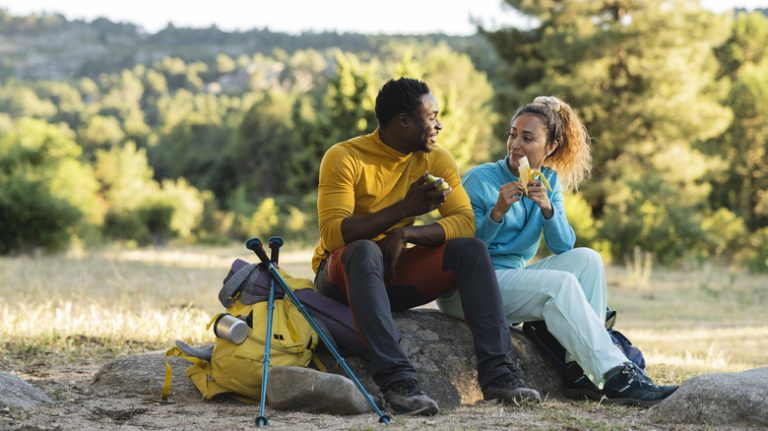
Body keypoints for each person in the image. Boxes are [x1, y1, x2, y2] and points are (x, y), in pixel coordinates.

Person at [312, 78, 541, 416]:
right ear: (404, 121)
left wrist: (405, 235)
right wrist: (405, 209)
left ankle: (499, 376)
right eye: (432, 116)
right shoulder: (345, 157)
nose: (439, 124)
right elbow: (333, 235)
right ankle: (399, 383)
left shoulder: (435, 159)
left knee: (471, 250)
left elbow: (464, 222)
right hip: (342, 277)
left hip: (392, 273)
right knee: (364, 249)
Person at [436, 95, 677, 407]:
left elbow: (564, 245)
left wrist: (547, 208)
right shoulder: (481, 179)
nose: (515, 145)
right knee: (558, 284)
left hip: (511, 278)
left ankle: (579, 372)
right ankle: (617, 377)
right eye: (512, 134)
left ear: (550, 147)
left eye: (527, 138)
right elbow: (465, 249)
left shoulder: (548, 180)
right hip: (469, 287)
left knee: (587, 259)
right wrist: (497, 212)